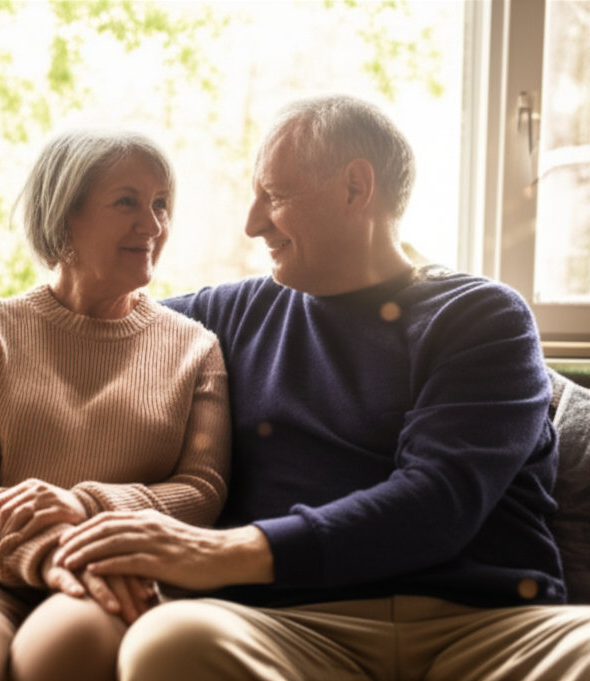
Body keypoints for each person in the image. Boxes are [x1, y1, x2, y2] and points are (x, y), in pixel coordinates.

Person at [54, 94, 590, 681]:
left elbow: (437, 502)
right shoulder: (226, 317)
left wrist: (216, 552)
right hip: (294, 630)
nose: (253, 223)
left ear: (356, 188)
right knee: (167, 644)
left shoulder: (481, 316)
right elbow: (76, 327)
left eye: (274, 196)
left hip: (489, 629)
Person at [0, 129, 231, 681]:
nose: (153, 224)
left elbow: (201, 490)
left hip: (115, 565)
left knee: (64, 653)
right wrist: (52, 548)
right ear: (65, 215)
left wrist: (85, 509)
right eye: (127, 202)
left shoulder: (196, 348)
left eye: (161, 204)